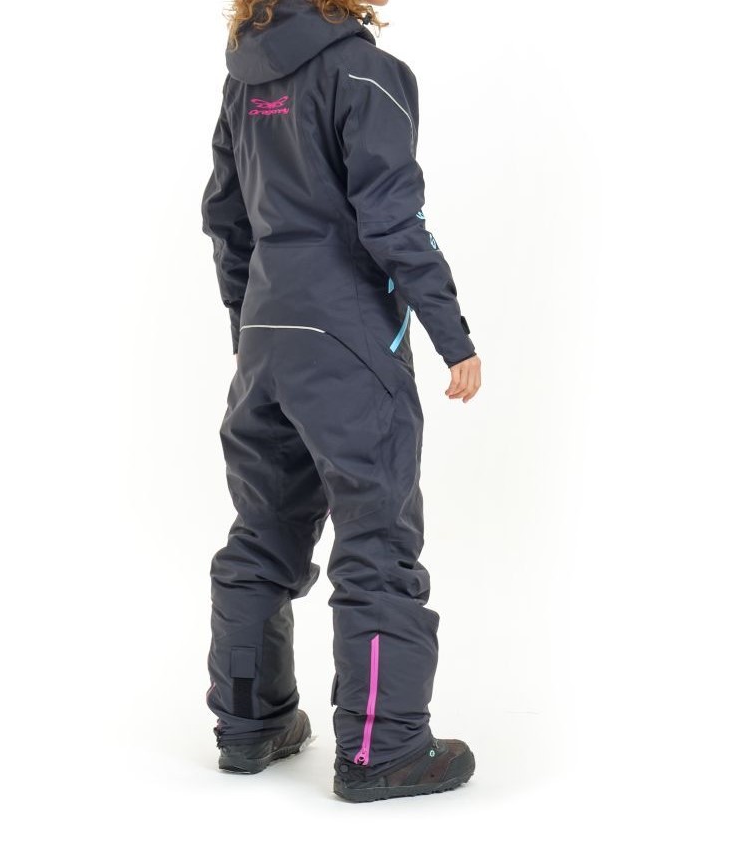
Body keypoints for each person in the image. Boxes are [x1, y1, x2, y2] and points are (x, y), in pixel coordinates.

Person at [200, 0, 481, 802]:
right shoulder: (366, 72)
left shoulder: (244, 80)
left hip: (266, 339)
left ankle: (249, 725)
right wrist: (453, 335)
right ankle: (381, 751)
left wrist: (249, 327)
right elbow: (393, 218)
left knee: (263, 531)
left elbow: (226, 218)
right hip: (348, 342)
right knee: (377, 539)